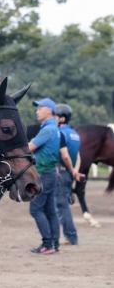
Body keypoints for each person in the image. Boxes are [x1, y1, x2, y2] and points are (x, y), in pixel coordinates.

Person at [28, 98, 61, 254]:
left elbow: (29, 148)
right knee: (50, 210)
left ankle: (47, 244)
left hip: (43, 174)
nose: (37, 110)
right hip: (51, 173)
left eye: (40, 108)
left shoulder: (47, 130)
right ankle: (54, 244)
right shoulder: (53, 128)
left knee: (35, 209)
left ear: (48, 110)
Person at [55, 104, 82, 245]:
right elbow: (78, 155)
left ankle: (70, 236)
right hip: (69, 173)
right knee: (62, 204)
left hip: (60, 171)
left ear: (62, 118)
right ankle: (68, 235)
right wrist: (74, 170)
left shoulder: (60, 133)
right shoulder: (75, 134)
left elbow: (65, 156)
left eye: (55, 116)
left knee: (61, 205)